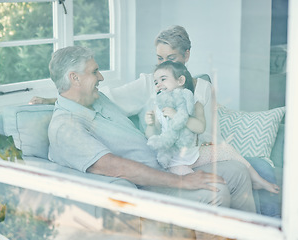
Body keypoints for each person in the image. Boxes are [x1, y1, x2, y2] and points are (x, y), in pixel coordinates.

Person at [31, 25, 281, 218]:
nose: (102, 76)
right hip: (150, 181)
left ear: (187, 55)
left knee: (237, 172)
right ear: (74, 78)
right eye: (95, 71)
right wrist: (182, 181)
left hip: (174, 159)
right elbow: (113, 166)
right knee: (216, 190)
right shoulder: (66, 125)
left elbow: (208, 130)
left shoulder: (98, 99)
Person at [145, 61, 279, 195]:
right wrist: (150, 124)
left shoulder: (195, 103)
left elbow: (199, 127)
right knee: (197, 185)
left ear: (180, 80)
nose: (159, 85)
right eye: (156, 82)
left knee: (227, 150)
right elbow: (152, 135)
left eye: (163, 79)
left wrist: (177, 116)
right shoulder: (160, 108)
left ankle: (257, 179)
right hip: (175, 162)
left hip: (195, 154)